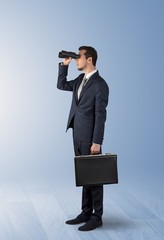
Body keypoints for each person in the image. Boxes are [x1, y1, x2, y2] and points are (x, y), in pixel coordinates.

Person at [57, 46, 109, 231]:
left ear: (90, 59)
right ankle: (86, 211)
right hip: (77, 134)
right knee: (84, 175)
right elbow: (61, 85)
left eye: (78, 57)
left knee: (94, 177)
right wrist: (64, 66)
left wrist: (97, 141)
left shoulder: (100, 85)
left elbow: (101, 115)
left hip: (90, 138)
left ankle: (97, 216)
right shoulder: (80, 79)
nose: (76, 59)